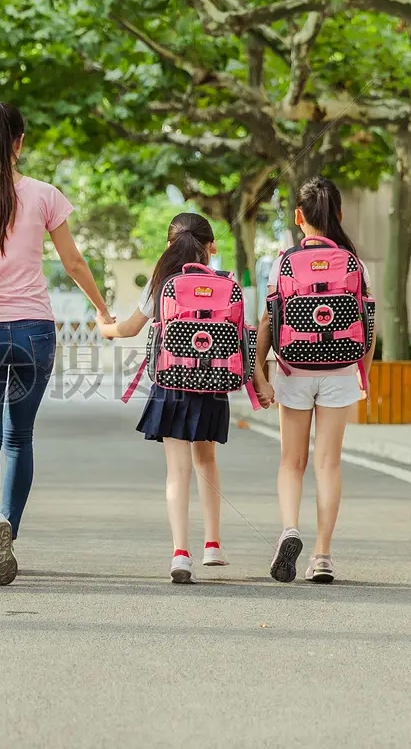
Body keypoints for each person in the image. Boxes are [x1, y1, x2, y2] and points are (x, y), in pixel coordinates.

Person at [0, 101, 112, 586]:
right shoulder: (45, 195)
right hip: (36, 331)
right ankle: (9, 534)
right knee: (20, 438)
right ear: (20, 142)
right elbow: (74, 264)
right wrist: (102, 310)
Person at [253, 176, 375, 585]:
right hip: (340, 370)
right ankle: (322, 555)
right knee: (328, 463)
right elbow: (368, 327)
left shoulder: (283, 263)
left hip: (294, 369)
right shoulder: (355, 263)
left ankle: (290, 528)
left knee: (292, 461)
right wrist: (365, 376)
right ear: (339, 215)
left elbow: (269, 321)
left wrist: (259, 373)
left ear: (298, 217)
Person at [99, 213, 230, 584]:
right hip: (213, 382)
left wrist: (104, 328)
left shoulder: (162, 283)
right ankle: (213, 545)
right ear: (211, 246)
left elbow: (128, 329)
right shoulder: (222, 284)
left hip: (172, 382)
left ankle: (180, 554)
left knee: (177, 470)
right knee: (206, 460)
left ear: (169, 244)